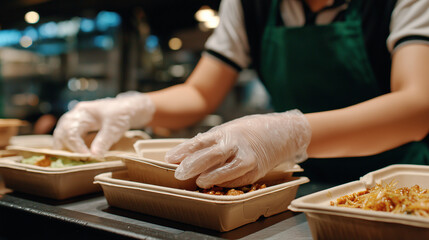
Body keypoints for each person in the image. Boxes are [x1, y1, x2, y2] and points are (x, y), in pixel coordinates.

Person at [53, 0, 429, 188]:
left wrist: (289, 132)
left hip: (401, 180)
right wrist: (132, 107)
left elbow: (417, 105)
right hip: (297, 181)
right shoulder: (249, 4)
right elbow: (201, 92)